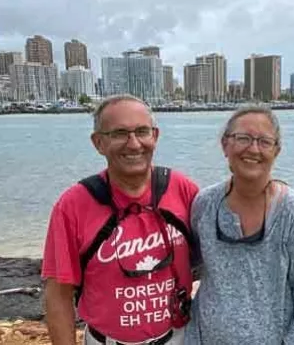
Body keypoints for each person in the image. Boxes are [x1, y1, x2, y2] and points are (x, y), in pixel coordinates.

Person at [41, 94, 200, 345]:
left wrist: (271, 190)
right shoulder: (73, 206)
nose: (134, 144)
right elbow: (58, 294)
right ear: (98, 143)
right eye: (119, 134)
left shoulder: (182, 190)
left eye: (142, 131)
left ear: (155, 136)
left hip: (180, 338)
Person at [184, 106, 294, 344]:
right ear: (225, 145)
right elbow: (195, 268)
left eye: (264, 141)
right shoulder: (205, 204)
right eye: (243, 138)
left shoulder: (293, 213)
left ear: (276, 150)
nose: (253, 148)